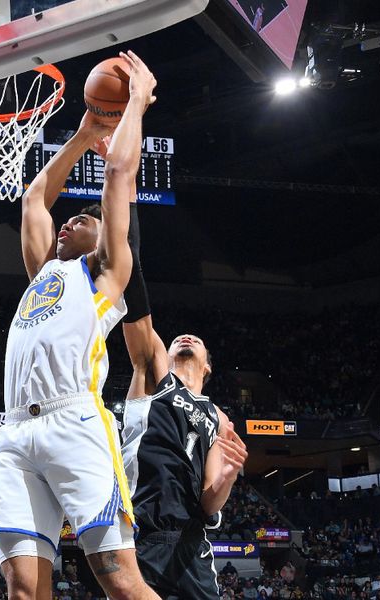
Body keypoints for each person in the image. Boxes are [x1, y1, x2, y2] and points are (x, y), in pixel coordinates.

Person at [0, 51, 159, 600]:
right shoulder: (43, 273)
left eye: (83, 219)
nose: (69, 221)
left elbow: (119, 171)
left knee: (118, 578)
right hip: (13, 432)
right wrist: (80, 137)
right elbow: (35, 198)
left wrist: (134, 104)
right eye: (70, 217)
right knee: (22, 589)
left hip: (73, 422)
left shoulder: (106, 274)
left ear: (104, 236)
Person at [119, 203, 248, 598]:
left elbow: (210, 501)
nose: (186, 337)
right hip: (141, 533)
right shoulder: (155, 371)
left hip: (191, 543)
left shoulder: (219, 418)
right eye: (178, 338)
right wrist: (126, 192)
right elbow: (132, 288)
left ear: (208, 366)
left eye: (196, 340)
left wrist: (227, 479)